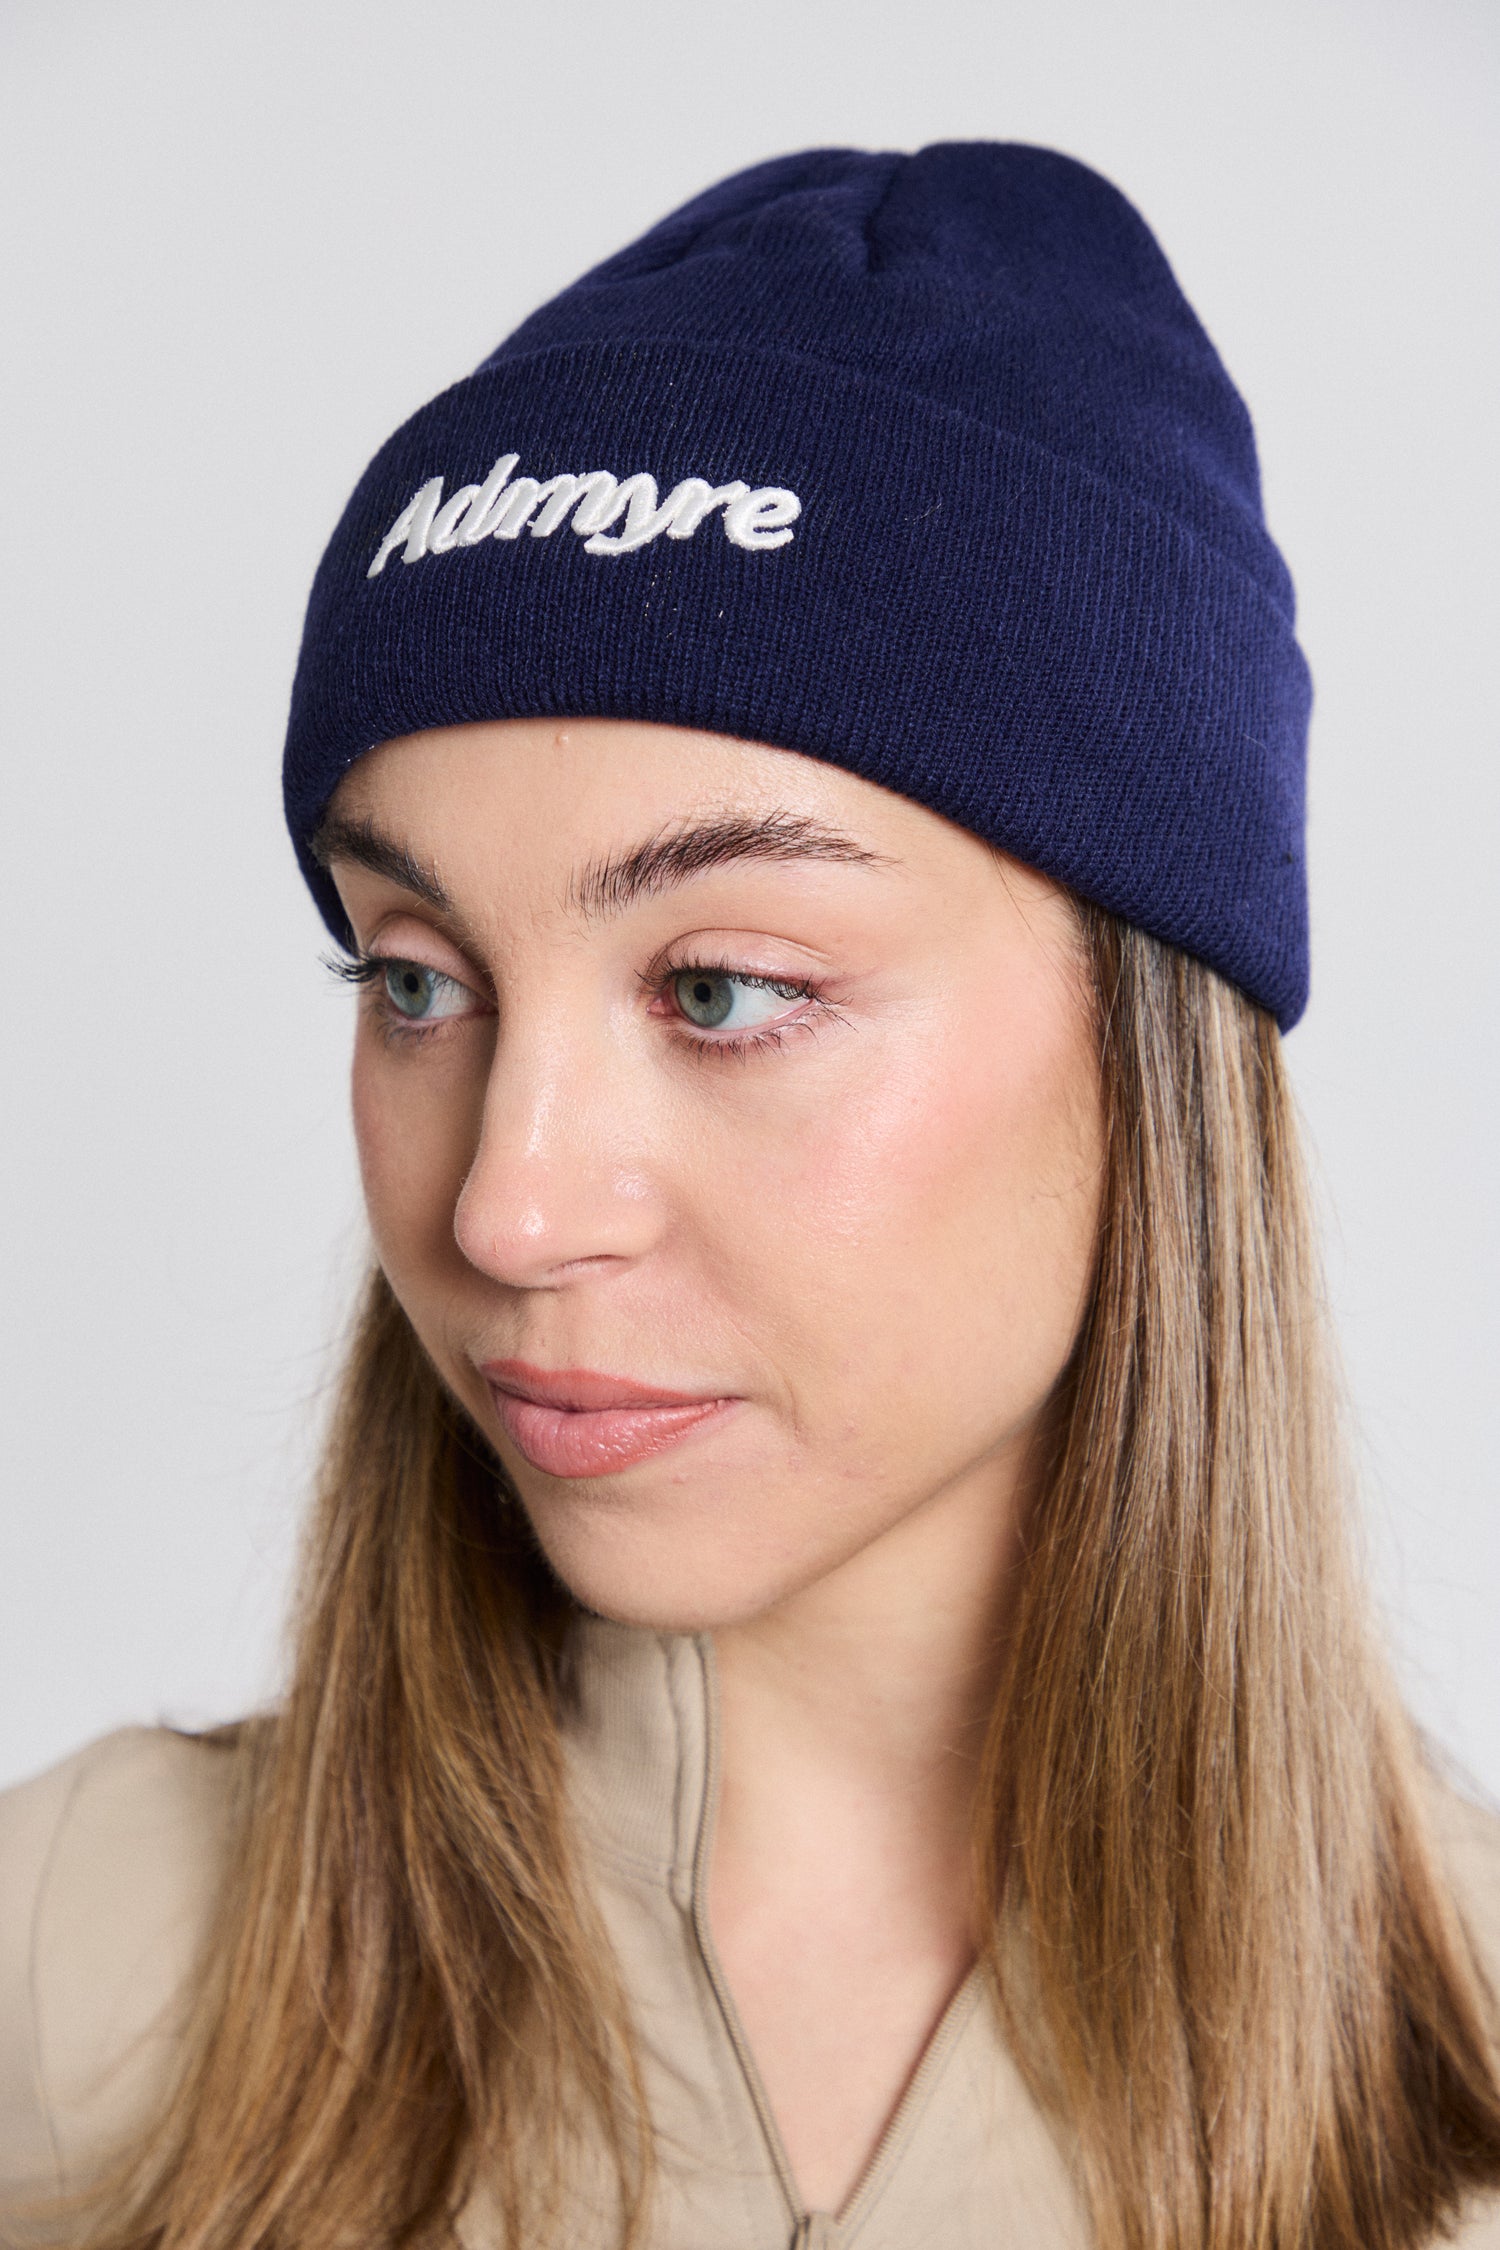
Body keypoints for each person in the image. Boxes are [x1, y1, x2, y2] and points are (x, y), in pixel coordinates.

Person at [3, 141, 1499, 2250]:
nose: (508, 1209)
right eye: (416, 978)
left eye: (721, 989)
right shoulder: (68, 1978)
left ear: (1153, 1044)